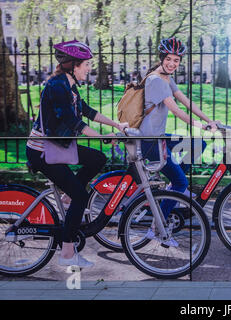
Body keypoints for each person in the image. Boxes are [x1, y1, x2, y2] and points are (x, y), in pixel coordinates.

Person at [26, 40, 128, 268]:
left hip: (58, 145)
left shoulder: (69, 85)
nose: (89, 68)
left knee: (97, 159)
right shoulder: (56, 86)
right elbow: (73, 122)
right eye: (86, 64)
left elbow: (87, 111)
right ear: (72, 65)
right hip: (43, 151)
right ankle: (67, 254)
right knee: (82, 197)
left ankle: (67, 197)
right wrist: (102, 137)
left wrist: (117, 125)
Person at [140, 37, 220, 246]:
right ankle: (157, 228)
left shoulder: (166, 78)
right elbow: (175, 110)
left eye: (176, 60)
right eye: (169, 59)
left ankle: (174, 186)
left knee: (198, 144)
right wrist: (200, 126)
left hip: (159, 137)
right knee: (181, 182)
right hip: (149, 142)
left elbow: (186, 102)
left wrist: (209, 120)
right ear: (161, 59)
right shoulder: (156, 80)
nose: (172, 64)